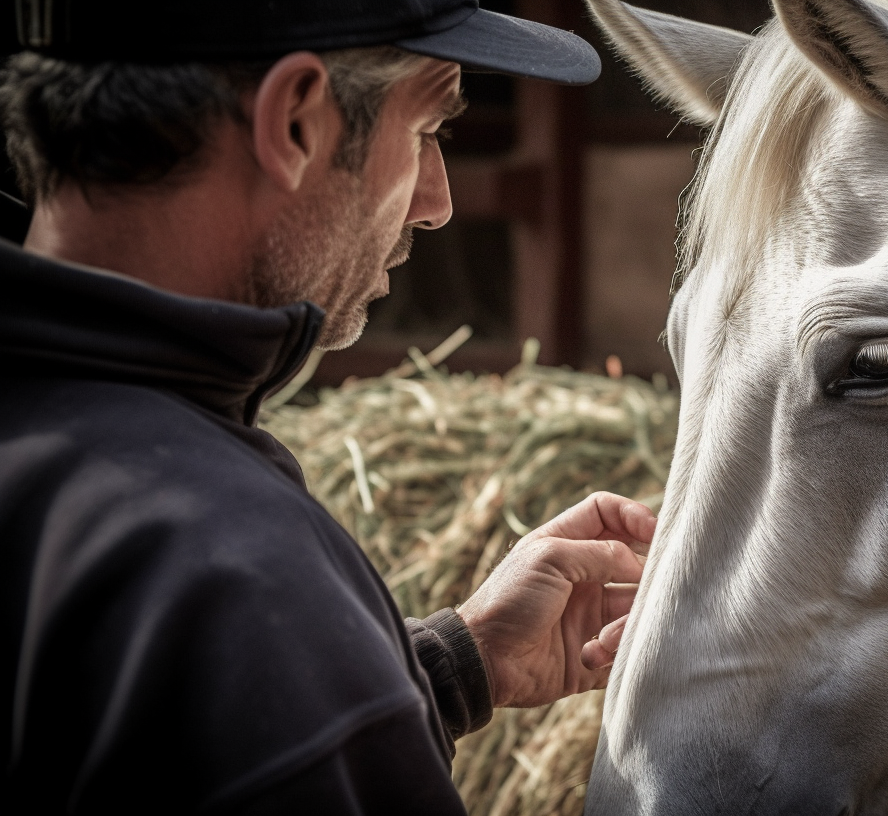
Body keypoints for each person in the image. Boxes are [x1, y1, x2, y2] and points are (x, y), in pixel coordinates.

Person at [0, 1, 657, 812]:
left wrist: (448, 668)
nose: (437, 201)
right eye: (424, 129)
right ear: (297, 122)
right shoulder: (235, 578)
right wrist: (338, 701)